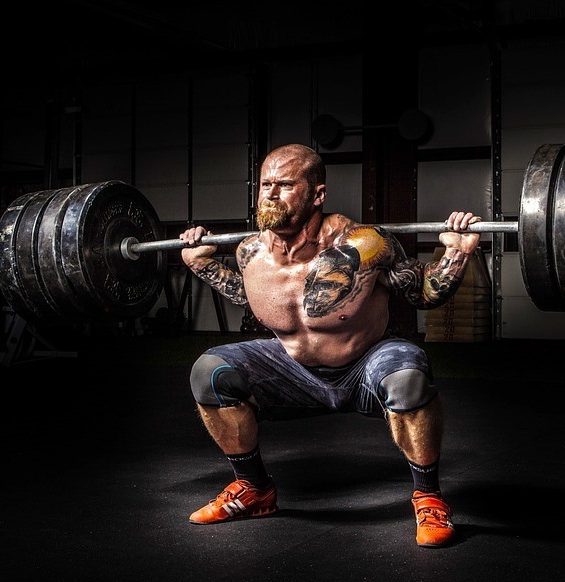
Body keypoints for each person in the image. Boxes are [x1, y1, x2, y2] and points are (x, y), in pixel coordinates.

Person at [178, 143, 481, 548]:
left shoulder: (367, 244)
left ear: (317, 194)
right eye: (266, 184)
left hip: (363, 363)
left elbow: (423, 292)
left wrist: (456, 254)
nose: (270, 194)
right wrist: (204, 265)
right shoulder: (250, 251)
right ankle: (253, 488)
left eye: (285, 185)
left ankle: (428, 498)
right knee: (210, 371)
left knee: (408, 373)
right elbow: (248, 296)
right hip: (291, 369)